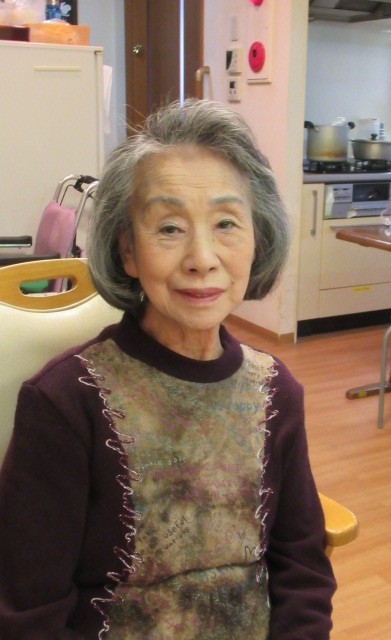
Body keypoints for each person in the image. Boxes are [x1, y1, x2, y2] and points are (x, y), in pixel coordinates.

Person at [0, 98, 336, 639]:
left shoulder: (276, 392)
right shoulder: (64, 404)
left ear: (258, 239)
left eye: (226, 223)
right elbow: (29, 614)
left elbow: (302, 570)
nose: (202, 258)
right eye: (170, 228)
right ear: (128, 251)